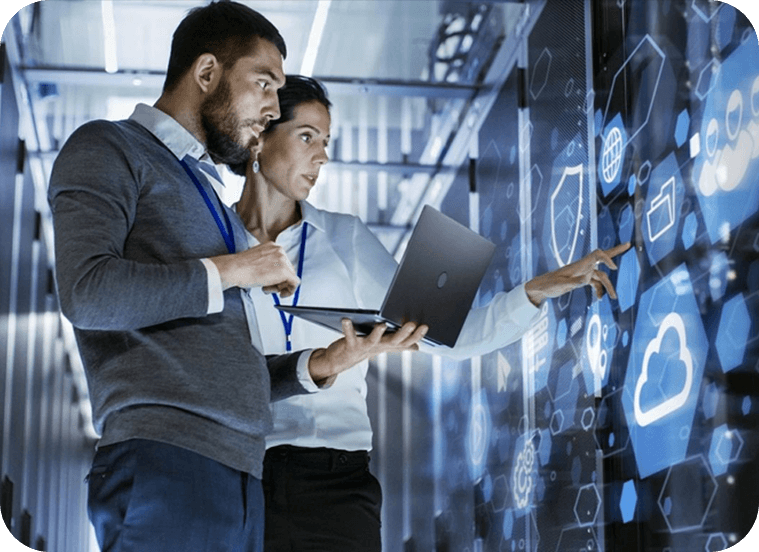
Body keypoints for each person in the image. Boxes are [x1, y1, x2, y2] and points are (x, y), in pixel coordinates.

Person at [47, 4, 425, 552]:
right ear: (206, 74)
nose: (272, 108)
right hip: (167, 458)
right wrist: (236, 268)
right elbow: (87, 293)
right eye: (264, 83)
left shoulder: (211, 202)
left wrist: (322, 365)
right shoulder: (109, 147)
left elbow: (227, 364)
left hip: (241, 475)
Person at [230, 75, 631, 551]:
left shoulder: (345, 238)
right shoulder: (214, 244)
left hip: (335, 480)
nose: (322, 156)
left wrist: (537, 290)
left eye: (327, 142)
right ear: (261, 137)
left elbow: (449, 337)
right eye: (307, 137)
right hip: (241, 474)